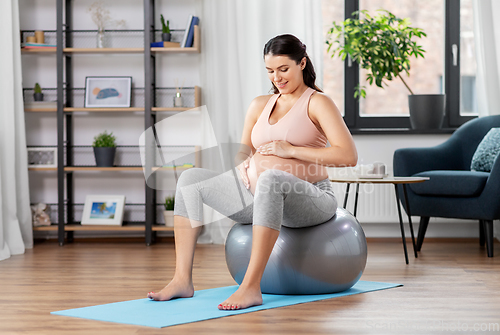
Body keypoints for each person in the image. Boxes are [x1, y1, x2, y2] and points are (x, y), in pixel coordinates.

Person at [147, 34, 357, 310]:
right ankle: (181, 280)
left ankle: (250, 287)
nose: (277, 78)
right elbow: (244, 149)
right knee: (190, 179)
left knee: (271, 179)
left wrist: (291, 150)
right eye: (270, 71)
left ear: (302, 63)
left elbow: (348, 155)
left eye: (284, 69)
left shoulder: (318, 103)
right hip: (256, 195)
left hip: (310, 199)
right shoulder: (260, 104)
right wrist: (243, 167)